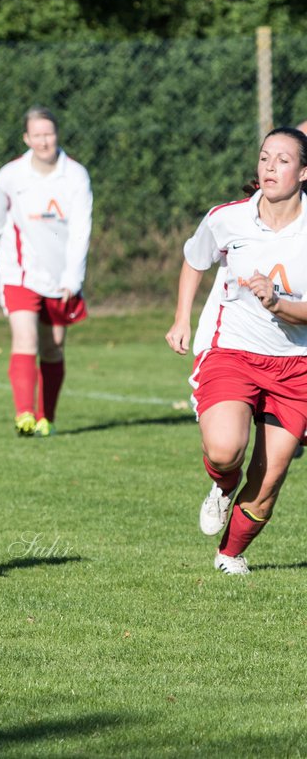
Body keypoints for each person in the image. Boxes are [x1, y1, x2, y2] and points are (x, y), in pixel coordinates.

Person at [165, 126, 307, 575]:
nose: (270, 167)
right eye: (265, 157)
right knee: (227, 449)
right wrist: (181, 317)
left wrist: (278, 303)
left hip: (296, 366)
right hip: (233, 352)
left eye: (283, 160)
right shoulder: (227, 218)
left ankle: (229, 554)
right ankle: (221, 486)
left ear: (304, 172)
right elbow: (194, 259)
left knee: (268, 479)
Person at [0, 106, 93, 437]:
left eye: (48, 134)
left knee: (53, 347)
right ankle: (23, 414)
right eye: (37, 135)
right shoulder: (10, 176)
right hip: (18, 271)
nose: (44, 141)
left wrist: (72, 279)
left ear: (57, 134)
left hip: (60, 277)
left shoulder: (75, 176)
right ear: (27, 138)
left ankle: (45, 415)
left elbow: (81, 230)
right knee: (25, 337)